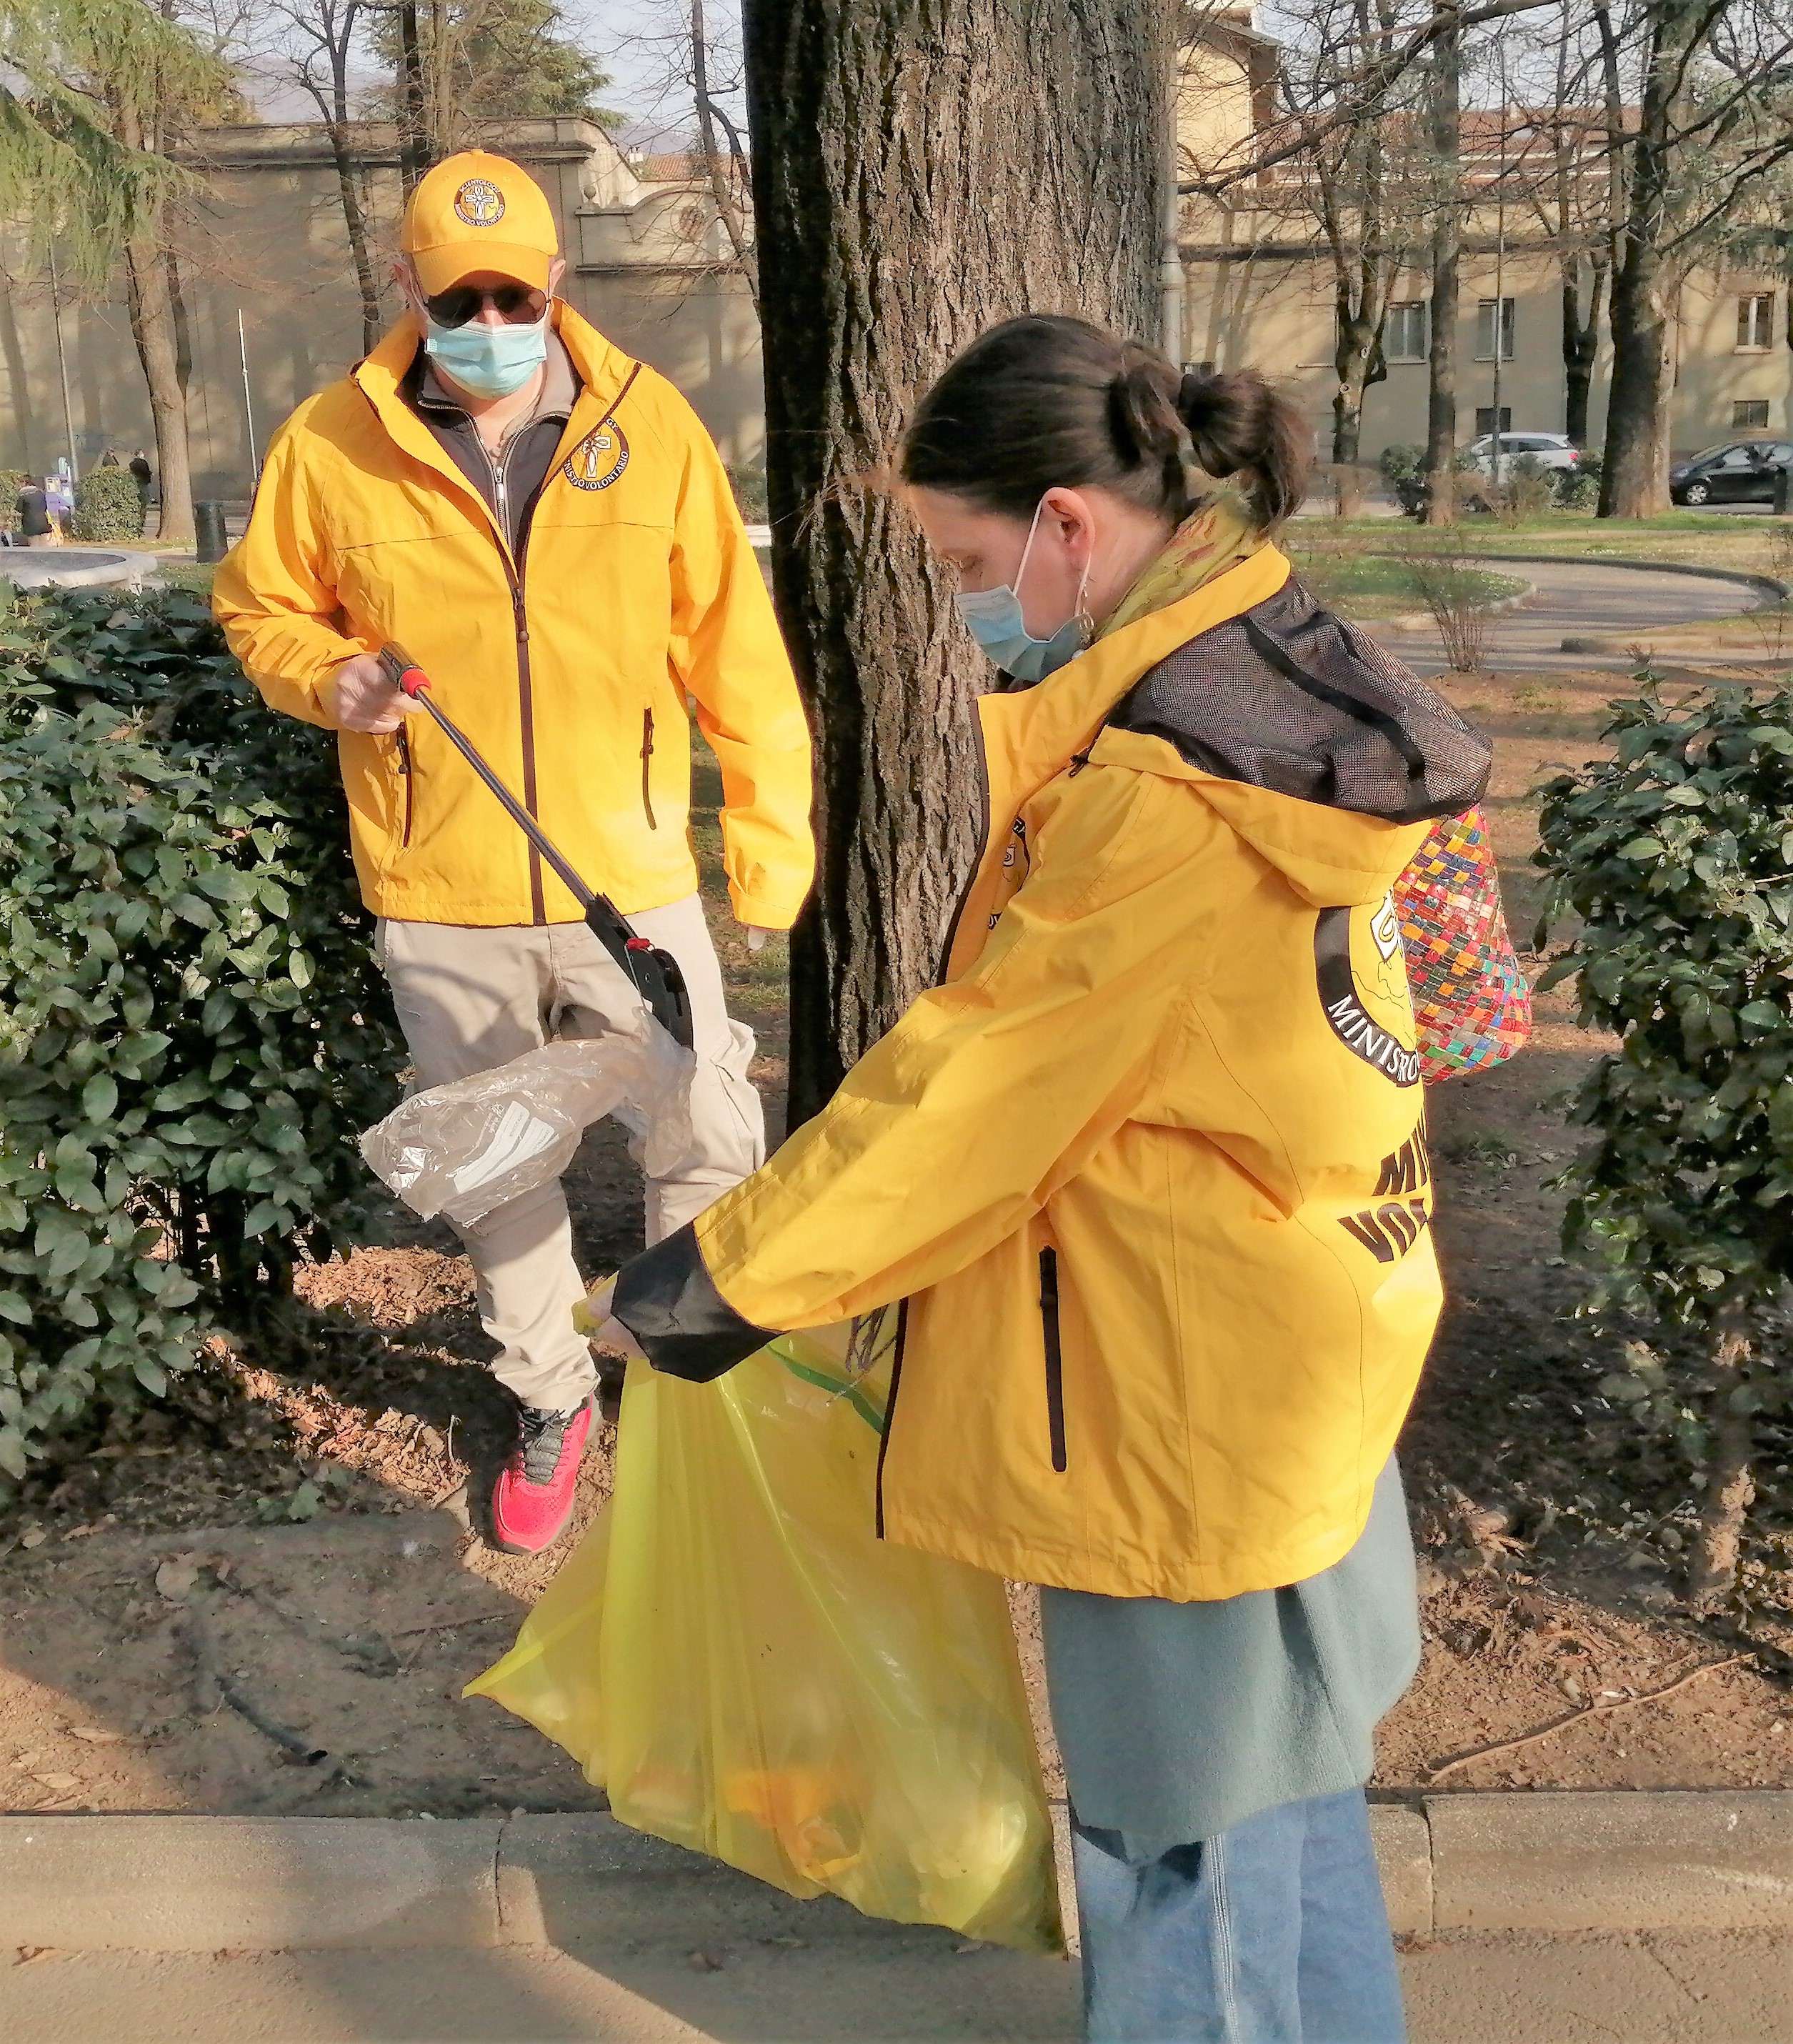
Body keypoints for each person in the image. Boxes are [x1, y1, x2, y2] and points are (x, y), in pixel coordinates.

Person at [587, 315, 1491, 2042]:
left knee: (1182, 1837)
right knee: (1281, 1801)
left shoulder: (1168, 781)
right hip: (1291, 1324)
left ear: (1068, 523)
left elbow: (973, 1092)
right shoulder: (1272, 684)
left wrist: (707, 1283)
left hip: (1175, 1377)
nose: (966, 600)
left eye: (967, 559)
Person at [213, 150, 814, 1557]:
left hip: (632, 873)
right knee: (493, 1168)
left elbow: (737, 649)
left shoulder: (647, 426)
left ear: (555, 282)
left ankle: (683, 1386)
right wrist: (332, 677)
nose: (486, 313)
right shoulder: (327, 442)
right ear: (411, 286)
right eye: (456, 292)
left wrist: (770, 855)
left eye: (511, 289)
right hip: (440, 885)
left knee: (702, 1130)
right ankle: (551, 1395)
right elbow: (260, 611)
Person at [16, 478, 55, 548]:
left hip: (30, 525)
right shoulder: (41, 493)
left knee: (34, 546)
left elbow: (19, 510)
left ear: (25, 483)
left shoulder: (23, 495)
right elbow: (45, 507)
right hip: (43, 523)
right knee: (44, 546)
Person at [129, 449, 153, 531]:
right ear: (139, 454)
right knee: (144, 504)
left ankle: (136, 523)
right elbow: (145, 472)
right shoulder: (143, 463)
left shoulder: (132, 463)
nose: (143, 454)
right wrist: (150, 473)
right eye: (142, 453)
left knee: (137, 503)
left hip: (135, 485)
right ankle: (141, 523)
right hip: (143, 484)